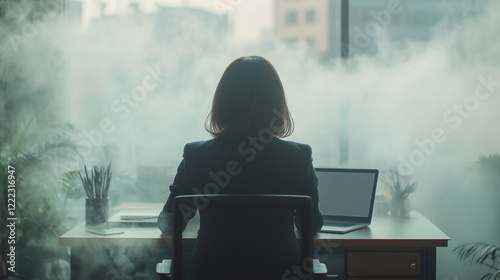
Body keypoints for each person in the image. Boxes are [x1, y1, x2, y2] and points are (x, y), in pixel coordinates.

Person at [158, 56, 323, 280]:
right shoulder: (298, 157)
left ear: (223, 103)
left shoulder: (197, 155)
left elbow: (169, 224)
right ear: (276, 104)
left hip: (211, 273)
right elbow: (311, 225)